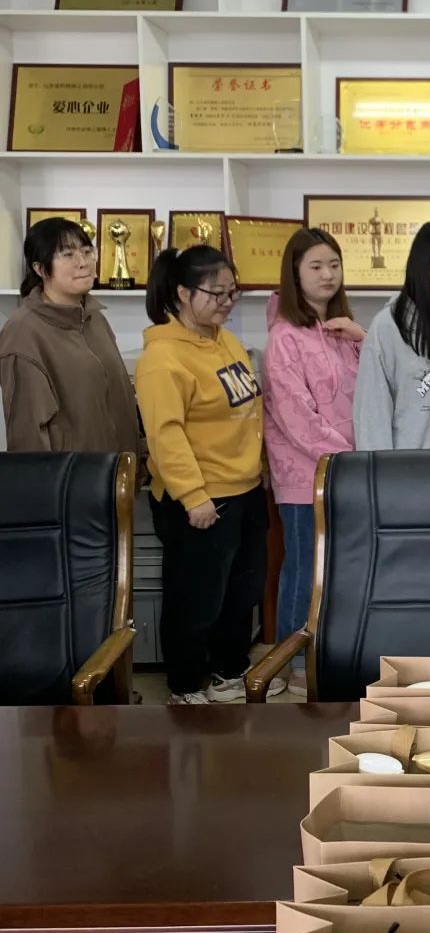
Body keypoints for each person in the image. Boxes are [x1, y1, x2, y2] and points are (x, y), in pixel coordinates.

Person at [136, 245, 282, 706]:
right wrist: (193, 496)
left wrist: (260, 468)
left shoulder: (225, 341)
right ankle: (184, 685)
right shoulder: (163, 358)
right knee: (195, 598)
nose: (226, 302)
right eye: (216, 293)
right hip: (201, 499)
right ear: (183, 293)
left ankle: (228, 670)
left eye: (232, 292)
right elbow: (165, 435)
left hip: (243, 489)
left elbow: (248, 410)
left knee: (242, 590)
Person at [264, 228, 364, 692]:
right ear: (295, 273)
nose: (328, 275)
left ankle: (328, 652)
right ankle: (292, 661)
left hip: (348, 474)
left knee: (339, 571)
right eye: (316, 266)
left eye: (334, 265)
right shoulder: (284, 337)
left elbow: (375, 389)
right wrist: (351, 458)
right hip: (306, 476)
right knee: (305, 569)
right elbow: (297, 418)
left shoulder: (345, 330)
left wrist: (363, 338)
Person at [0, 217, 138, 454]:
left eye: (87, 252)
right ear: (40, 269)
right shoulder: (23, 332)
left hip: (118, 470)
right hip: (73, 475)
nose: (83, 262)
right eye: (68, 254)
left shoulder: (95, 318)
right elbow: (28, 435)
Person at [353, 221, 430, 451]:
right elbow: (371, 417)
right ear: (421, 265)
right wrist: (378, 470)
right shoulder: (388, 327)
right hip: (407, 469)